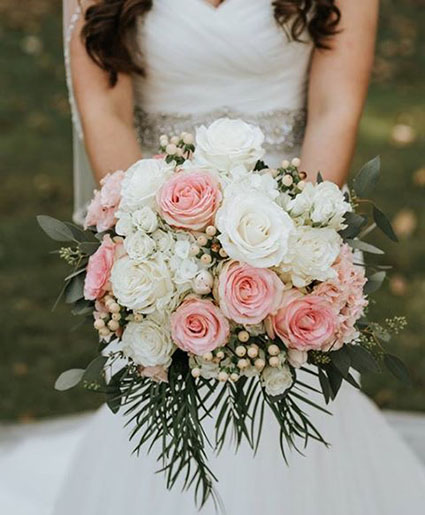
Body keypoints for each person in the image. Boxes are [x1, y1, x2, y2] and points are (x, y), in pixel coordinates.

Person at [50, 0, 425, 513]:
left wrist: (300, 246)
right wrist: (146, 244)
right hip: (163, 225)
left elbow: (335, 107)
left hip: (286, 223)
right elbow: (105, 110)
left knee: (293, 393)